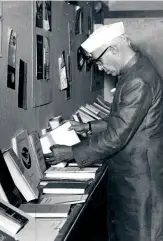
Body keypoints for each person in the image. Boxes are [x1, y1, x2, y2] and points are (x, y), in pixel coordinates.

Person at [45, 22, 163, 241]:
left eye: (98, 61)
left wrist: (71, 152)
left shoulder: (138, 80)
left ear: (115, 50)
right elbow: (121, 119)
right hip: (132, 174)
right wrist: (90, 126)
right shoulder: (133, 73)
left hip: (140, 180)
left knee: (139, 235)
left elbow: (118, 134)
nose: (99, 68)